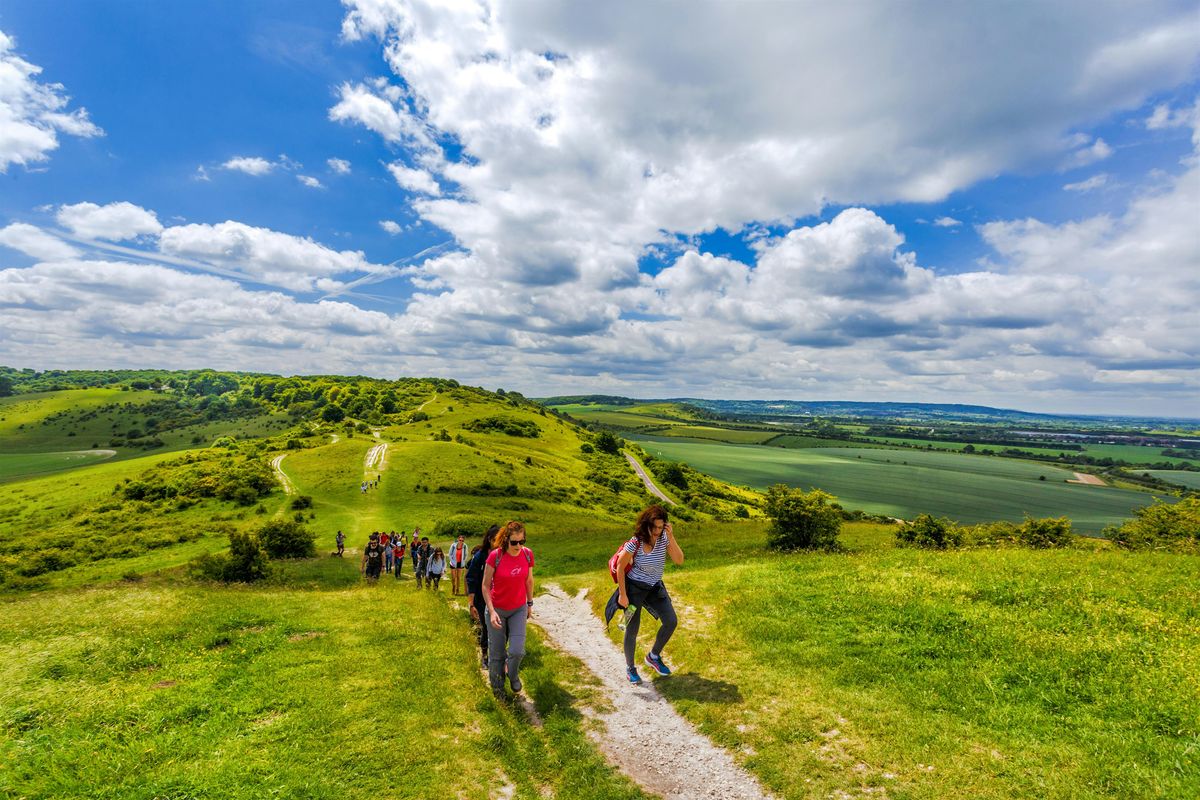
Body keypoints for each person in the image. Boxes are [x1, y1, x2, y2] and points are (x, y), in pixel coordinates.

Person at [608, 505, 684, 685]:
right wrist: (623, 595)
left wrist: (671, 537)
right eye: (654, 527)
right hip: (633, 590)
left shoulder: (665, 538)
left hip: (654, 588)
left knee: (671, 620)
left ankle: (653, 656)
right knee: (631, 628)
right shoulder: (635, 542)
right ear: (647, 525)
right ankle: (630, 668)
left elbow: (679, 560)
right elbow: (620, 566)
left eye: (661, 527)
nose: (657, 531)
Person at [483, 521, 534, 698]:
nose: (519, 546)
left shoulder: (527, 555)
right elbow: (485, 586)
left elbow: (529, 581)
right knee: (497, 653)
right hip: (497, 609)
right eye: (514, 542)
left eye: (522, 541)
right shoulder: (495, 557)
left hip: (518, 608)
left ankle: (512, 675)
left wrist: (529, 603)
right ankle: (498, 690)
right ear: (506, 540)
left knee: (517, 650)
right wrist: (491, 611)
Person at [466, 525, 500, 669]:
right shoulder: (480, 556)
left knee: (500, 628)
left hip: (500, 597)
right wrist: (471, 603)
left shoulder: (505, 555)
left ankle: (498, 655)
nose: (497, 542)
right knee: (486, 627)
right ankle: (485, 656)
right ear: (489, 539)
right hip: (482, 598)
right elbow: (471, 578)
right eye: (494, 539)